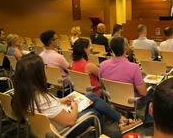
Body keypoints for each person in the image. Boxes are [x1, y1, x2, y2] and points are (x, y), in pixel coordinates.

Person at [12, 53, 143, 138]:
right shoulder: (43, 99)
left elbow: (50, 106)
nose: (47, 68)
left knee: (91, 96)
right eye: (44, 66)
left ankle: (120, 119)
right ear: (37, 73)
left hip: (53, 123)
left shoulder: (26, 92)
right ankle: (114, 125)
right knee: (94, 112)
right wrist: (74, 105)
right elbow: (70, 120)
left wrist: (63, 99)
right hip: (63, 131)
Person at [100, 37, 154, 124]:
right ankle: (149, 121)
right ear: (125, 47)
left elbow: (103, 85)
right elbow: (143, 93)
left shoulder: (103, 65)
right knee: (153, 90)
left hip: (113, 101)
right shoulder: (134, 67)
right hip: (132, 104)